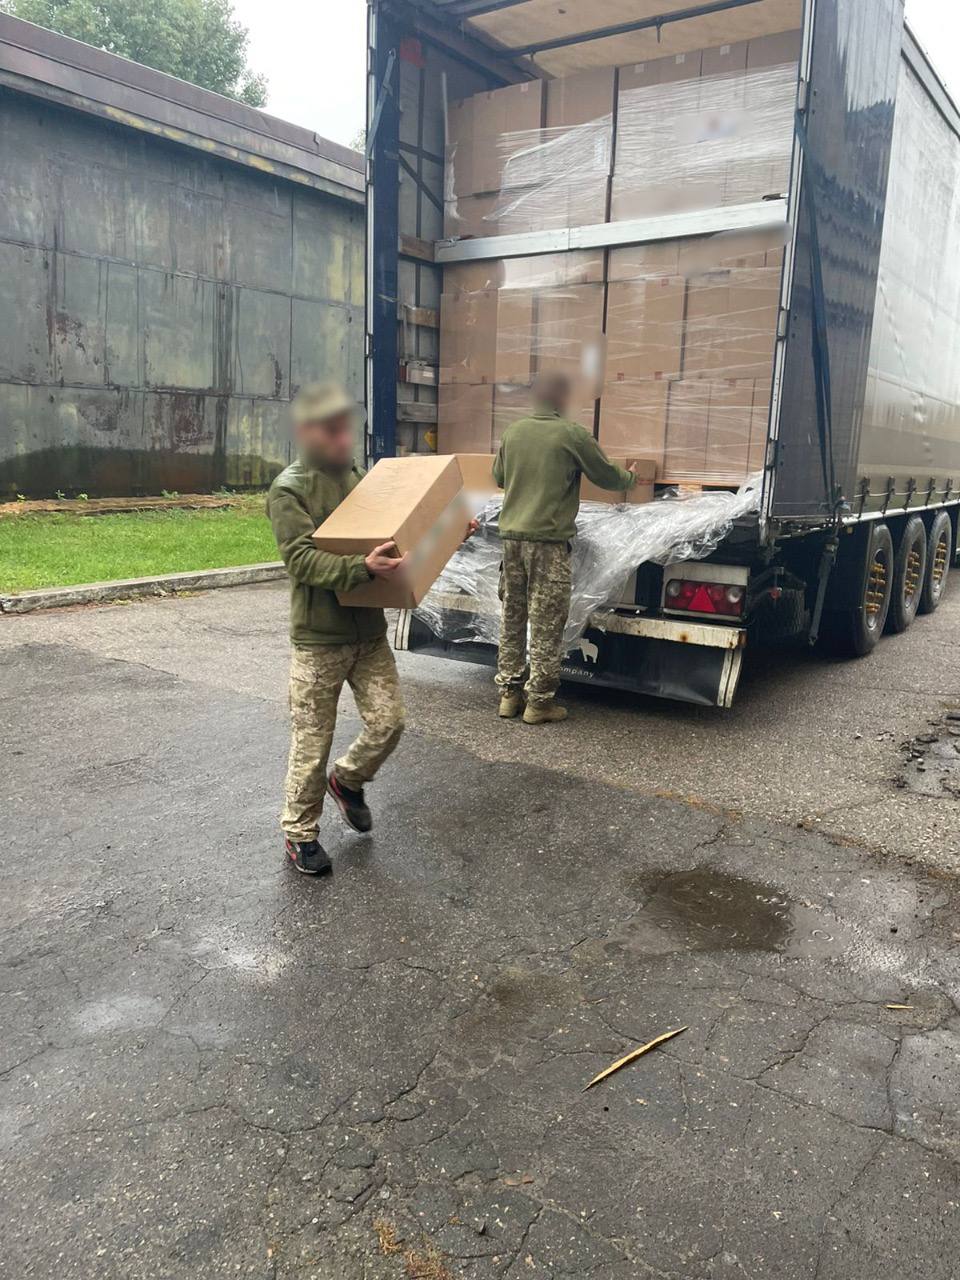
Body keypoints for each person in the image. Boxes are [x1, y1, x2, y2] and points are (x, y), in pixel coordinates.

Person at [266, 382, 408, 876]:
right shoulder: (290, 489)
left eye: (347, 429)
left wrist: (446, 530)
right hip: (319, 639)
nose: (345, 439)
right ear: (307, 432)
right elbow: (301, 560)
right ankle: (299, 833)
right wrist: (361, 568)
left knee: (389, 722)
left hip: (368, 631)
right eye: (333, 431)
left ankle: (347, 781)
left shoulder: (356, 476)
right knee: (312, 743)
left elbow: (393, 533)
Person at [492, 372, 638, 725]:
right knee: (546, 622)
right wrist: (632, 477)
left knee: (513, 618)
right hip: (547, 544)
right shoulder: (571, 434)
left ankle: (509, 696)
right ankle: (539, 703)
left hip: (511, 542)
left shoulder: (513, 432)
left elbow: (499, 478)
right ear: (561, 399)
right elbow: (607, 477)